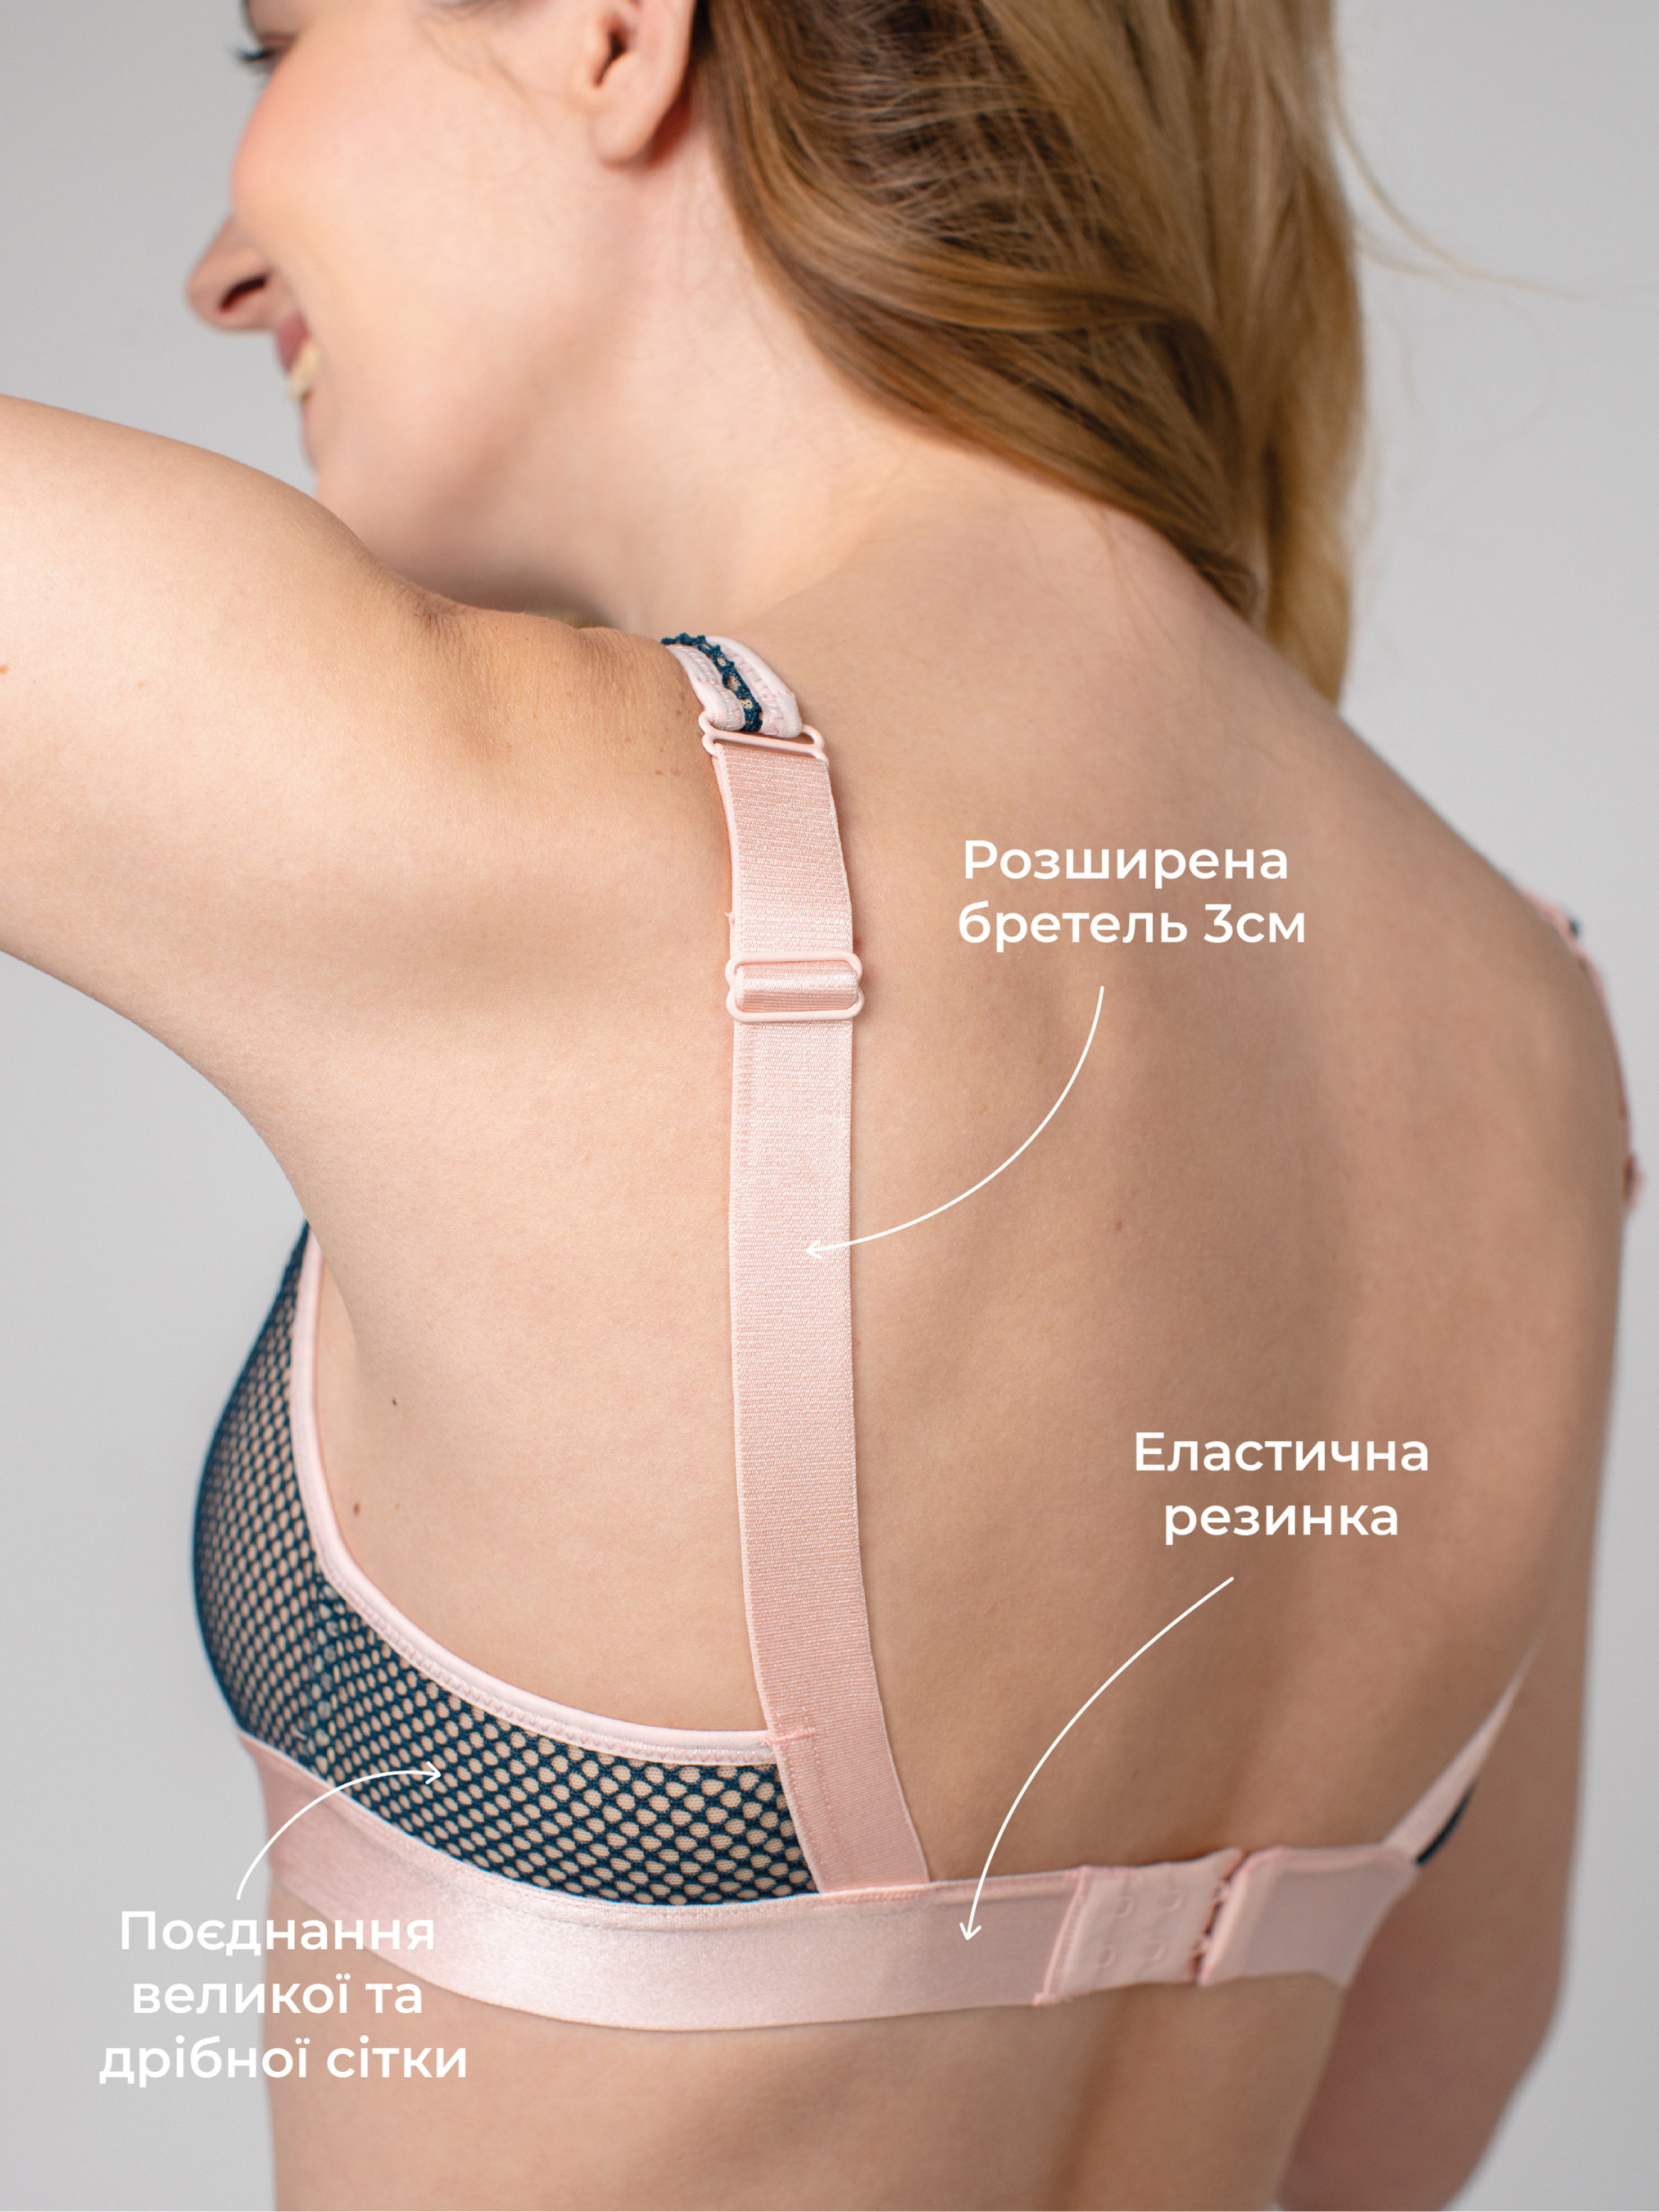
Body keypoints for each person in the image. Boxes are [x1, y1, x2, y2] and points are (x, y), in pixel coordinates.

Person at [1, 2, 1630, 2205]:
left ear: (606, 29)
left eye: (274, 39)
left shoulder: (499, 815)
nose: (219, 271)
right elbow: (1411, 2109)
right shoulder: (1526, 1037)